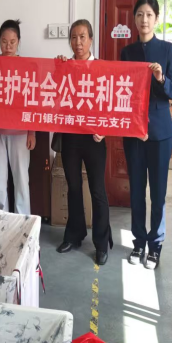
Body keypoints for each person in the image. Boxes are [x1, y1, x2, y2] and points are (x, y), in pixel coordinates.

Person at [121, 0, 172, 270]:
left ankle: (155, 246)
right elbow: (120, 92)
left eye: (149, 15)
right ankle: (138, 242)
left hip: (159, 132)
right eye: (139, 15)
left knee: (157, 193)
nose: (144, 20)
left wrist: (160, 78)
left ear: (156, 19)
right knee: (136, 191)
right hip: (133, 132)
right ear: (134, 19)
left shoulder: (167, 50)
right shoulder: (127, 52)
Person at [55, 19, 112, 266]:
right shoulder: (64, 67)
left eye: (82, 37)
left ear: (90, 40)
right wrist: (57, 68)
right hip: (70, 136)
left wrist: (105, 129)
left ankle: (101, 243)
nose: (78, 42)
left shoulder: (101, 68)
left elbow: (110, 101)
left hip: (94, 138)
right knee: (74, 187)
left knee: (97, 190)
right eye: (74, 37)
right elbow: (53, 96)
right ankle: (74, 235)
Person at [0, 20, 36, 215]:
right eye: (4, 42)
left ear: (19, 42)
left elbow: (32, 101)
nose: (8, 46)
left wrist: (32, 132)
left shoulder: (27, 67)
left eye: (12, 42)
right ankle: (3, 223)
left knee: (21, 180)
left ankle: (23, 224)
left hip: (20, 132)